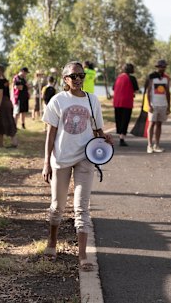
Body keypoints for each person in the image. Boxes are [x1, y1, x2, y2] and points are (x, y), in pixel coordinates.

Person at [41, 61, 113, 271]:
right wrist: (46, 162)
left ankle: (82, 256)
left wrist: (105, 137)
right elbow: (50, 133)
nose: (79, 79)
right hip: (61, 158)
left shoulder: (92, 100)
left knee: (82, 208)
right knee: (57, 207)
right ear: (65, 79)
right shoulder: (57, 100)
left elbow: (97, 130)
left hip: (85, 157)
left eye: (81, 75)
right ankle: (52, 242)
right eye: (74, 76)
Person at [146, 60, 171, 153]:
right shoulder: (152, 77)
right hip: (153, 104)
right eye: (161, 66)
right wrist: (149, 105)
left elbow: (168, 92)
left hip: (163, 104)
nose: (162, 68)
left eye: (164, 66)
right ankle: (149, 145)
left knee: (159, 124)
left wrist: (169, 106)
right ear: (157, 67)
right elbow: (148, 92)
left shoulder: (167, 78)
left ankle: (157, 145)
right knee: (152, 124)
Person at [0, 64, 19, 148]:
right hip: (8, 102)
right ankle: (5, 143)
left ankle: (8, 144)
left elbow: (0, 96)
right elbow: (3, 93)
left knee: (0, 123)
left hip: (2, 104)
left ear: (0, 71)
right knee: (8, 122)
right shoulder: (6, 81)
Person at [113, 63, 139, 146]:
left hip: (117, 102)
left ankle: (120, 133)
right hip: (127, 102)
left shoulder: (118, 77)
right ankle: (122, 138)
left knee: (119, 119)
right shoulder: (132, 78)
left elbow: (114, 88)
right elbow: (136, 89)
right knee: (125, 120)